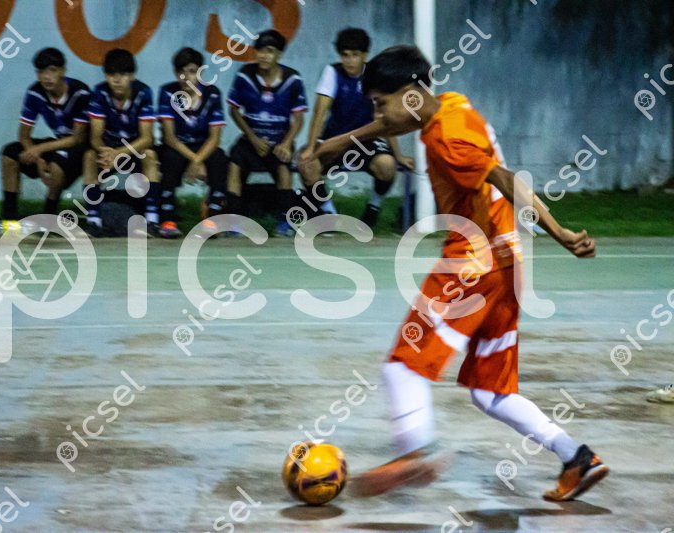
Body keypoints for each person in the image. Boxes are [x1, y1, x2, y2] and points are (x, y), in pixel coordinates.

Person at [309, 45, 608, 502]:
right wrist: (334, 144)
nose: (378, 114)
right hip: (507, 266)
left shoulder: (446, 139)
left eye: (380, 102)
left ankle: (414, 452)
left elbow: (507, 179)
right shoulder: (451, 104)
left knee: (403, 368)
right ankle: (577, 458)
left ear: (410, 94)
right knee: (490, 393)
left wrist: (560, 232)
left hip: (471, 265)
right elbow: (396, 121)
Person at [298, 28, 412, 226]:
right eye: (345, 55)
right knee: (306, 164)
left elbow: (384, 118)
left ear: (364, 55)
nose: (349, 60)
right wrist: (310, 147)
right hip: (335, 139)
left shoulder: (374, 76)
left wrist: (398, 155)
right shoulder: (332, 72)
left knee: (387, 166)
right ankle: (328, 213)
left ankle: (373, 207)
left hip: (365, 142)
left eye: (355, 55)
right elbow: (319, 112)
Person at [226, 29, 308, 237]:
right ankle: (234, 222)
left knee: (283, 166)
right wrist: (252, 138)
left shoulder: (293, 79)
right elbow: (233, 110)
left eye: (269, 51)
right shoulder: (245, 75)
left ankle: (285, 221)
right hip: (250, 140)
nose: (263, 56)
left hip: (279, 140)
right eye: (260, 51)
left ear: (279, 54)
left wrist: (287, 143)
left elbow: (299, 118)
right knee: (235, 164)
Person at [0, 47, 90, 222]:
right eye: (41, 72)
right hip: (58, 144)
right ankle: (9, 218)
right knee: (9, 154)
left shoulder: (80, 93)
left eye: (52, 71)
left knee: (56, 165)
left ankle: (49, 216)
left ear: (63, 71)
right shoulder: (35, 92)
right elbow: (24, 135)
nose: (46, 77)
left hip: (81, 149)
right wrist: (38, 159)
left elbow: (77, 138)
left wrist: (39, 149)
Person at [84, 48, 160, 235]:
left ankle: (152, 220)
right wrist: (106, 153)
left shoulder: (143, 93)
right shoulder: (99, 92)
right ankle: (93, 221)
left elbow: (147, 138)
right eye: (112, 74)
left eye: (123, 74)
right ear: (106, 76)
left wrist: (118, 154)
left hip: (133, 151)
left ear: (132, 76)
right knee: (89, 156)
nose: (117, 80)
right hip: (108, 151)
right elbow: (95, 136)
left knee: (150, 155)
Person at [156, 47, 228, 238]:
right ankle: (168, 220)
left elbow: (215, 138)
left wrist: (198, 159)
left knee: (219, 159)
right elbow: (169, 137)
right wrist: (195, 161)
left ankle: (211, 218)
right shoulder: (167, 92)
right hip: (177, 147)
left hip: (203, 147)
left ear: (200, 72)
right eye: (181, 72)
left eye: (192, 71)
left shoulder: (213, 94)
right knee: (168, 158)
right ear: (175, 73)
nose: (186, 77)